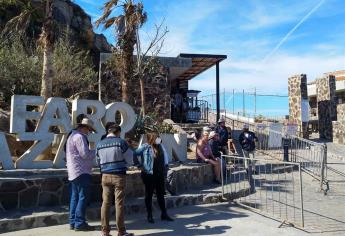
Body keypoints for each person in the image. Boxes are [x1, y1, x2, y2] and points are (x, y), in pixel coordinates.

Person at [96, 123, 134, 236]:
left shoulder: (99, 144)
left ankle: (105, 231)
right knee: (119, 203)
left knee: (105, 203)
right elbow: (130, 159)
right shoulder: (121, 142)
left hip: (105, 175)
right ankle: (121, 231)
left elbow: (97, 161)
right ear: (118, 132)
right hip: (119, 176)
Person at [134, 133, 174, 223]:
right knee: (149, 195)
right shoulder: (145, 147)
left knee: (160, 194)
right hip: (148, 174)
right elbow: (135, 153)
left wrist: (165, 168)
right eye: (157, 138)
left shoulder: (160, 147)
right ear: (152, 139)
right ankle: (150, 215)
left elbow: (164, 159)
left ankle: (164, 214)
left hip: (159, 174)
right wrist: (139, 165)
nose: (159, 139)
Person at [66, 118, 96, 231]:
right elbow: (85, 155)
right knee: (83, 197)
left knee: (75, 197)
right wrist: (96, 151)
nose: (89, 132)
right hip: (81, 171)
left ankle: (73, 222)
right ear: (85, 127)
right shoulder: (80, 137)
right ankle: (79, 223)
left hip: (73, 171)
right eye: (89, 129)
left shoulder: (72, 136)